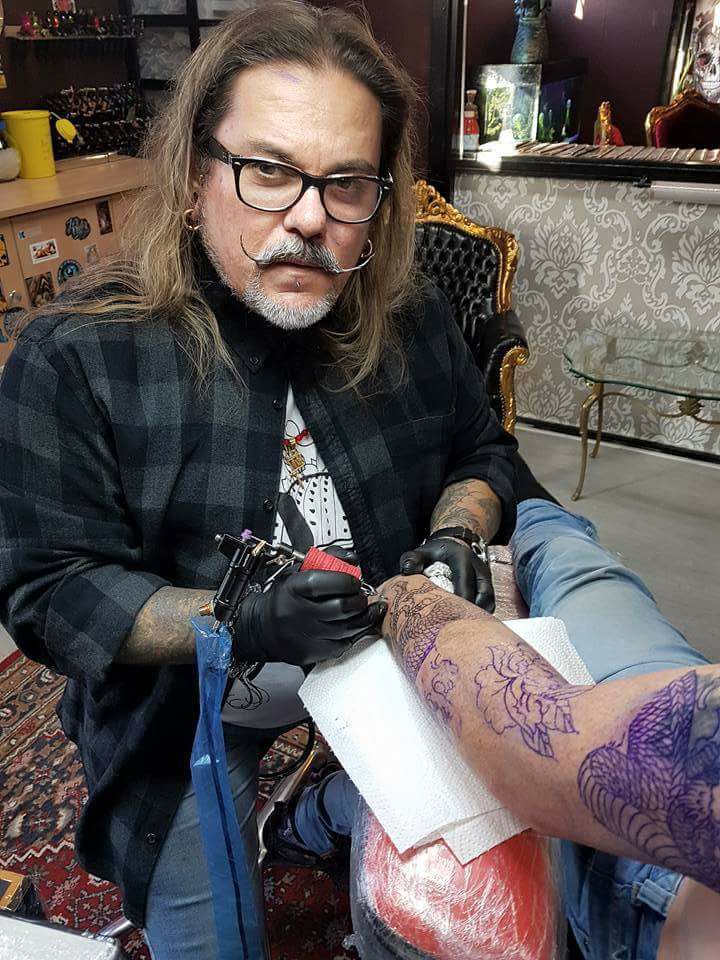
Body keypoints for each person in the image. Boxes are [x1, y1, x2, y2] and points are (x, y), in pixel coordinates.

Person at [0, 4, 516, 958]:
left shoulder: (411, 318)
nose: (310, 216)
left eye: (346, 182)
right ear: (195, 179)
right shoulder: (78, 357)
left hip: (389, 679)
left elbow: (485, 455)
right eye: (269, 171)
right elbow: (51, 591)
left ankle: (318, 811)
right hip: (183, 718)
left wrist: (455, 532)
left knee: (455, 914)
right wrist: (238, 618)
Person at [376, 466, 720, 960]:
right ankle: (539, 517)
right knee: (572, 559)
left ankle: (539, 517)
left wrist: (399, 595)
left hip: (649, 894)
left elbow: (537, 738)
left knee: (573, 563)